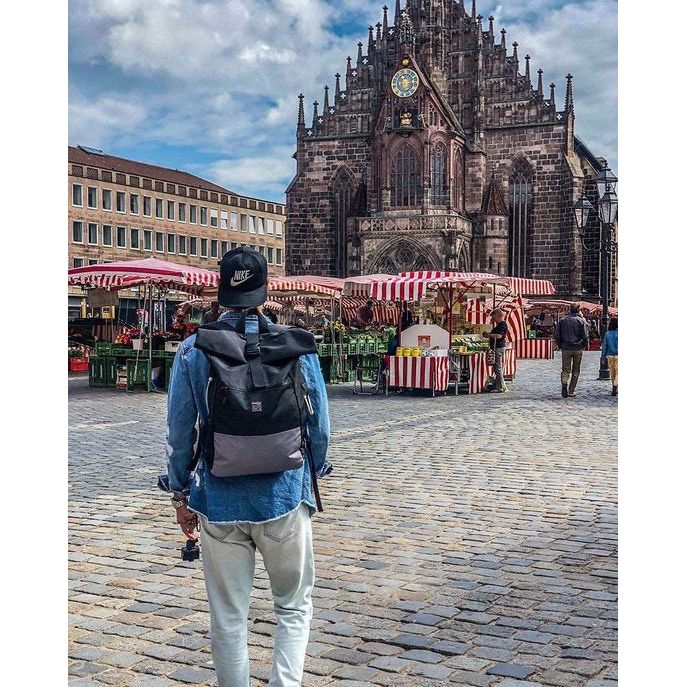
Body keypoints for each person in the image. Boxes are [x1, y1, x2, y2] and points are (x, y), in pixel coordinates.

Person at [164, 247, 331, 687]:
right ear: (265, 292)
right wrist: (316, 470)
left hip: (218, 500)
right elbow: (320, 429)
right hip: (283, 495)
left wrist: (180, 492)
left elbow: (181, 434)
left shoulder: (191, 350)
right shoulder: (296, 345)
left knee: (229, 616)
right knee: (293, 605)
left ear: (220, 291)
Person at [555, 303, 589, 398]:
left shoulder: (562, 320)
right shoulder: (581, 321)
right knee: (576, 370)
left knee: (565, 369)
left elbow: (557, 334)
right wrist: (584, 345)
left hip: (566, 347)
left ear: (570, 309)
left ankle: (564, 382)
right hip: (578, 347)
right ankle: (571, 391)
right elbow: (585, 336)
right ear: (578, 310)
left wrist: (560, 345)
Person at [483, 308, 508, 392]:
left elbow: (499, 336)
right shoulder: (499, 325)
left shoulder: (502, 325)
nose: (493, 320)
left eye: (494, 318)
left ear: (500, 316)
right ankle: (499, 385)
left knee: (497, 367)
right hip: (497, 347)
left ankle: (500, 387)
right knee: (497, 367)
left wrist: (490, 335)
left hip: (498, 347)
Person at [601, 316, 618, 396]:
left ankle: (614, 386)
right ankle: (615, 385)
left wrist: (603, 357)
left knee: (612, 373)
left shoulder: (607, 334)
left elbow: (604, 347)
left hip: (610, 355)